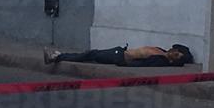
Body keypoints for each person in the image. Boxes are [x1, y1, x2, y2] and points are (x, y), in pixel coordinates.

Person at [44, 44, 195, 68]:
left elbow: (142, 64)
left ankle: (57, 57)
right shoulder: (161, 50)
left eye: (176, 54)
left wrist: (123, 63)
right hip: (120, 51)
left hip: (120, 57)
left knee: (91, 54)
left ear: (173, 59)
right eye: (176, 50)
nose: (173, 51)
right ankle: (58, 56)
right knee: (91, 54)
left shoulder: (160, 59)